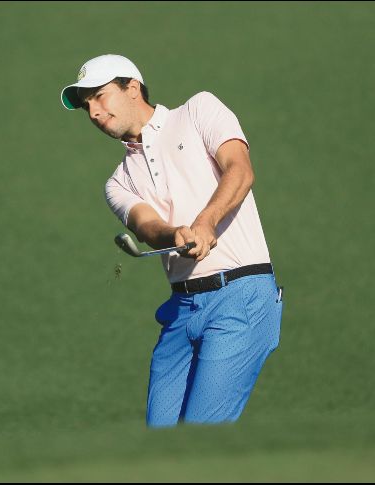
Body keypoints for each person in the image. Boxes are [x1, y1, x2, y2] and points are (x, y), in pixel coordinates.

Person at [60, 54, 284, 427]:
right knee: (160, 445)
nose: (93, 113)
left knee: (199, 443)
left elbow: (240, 170)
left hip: (241, 296)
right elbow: (148, 227)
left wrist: (206, 222)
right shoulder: (118, 182)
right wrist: (174, 234)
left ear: (132, 88)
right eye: (86, 107)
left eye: (99, 97)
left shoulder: (197, 111)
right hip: (182, 310)